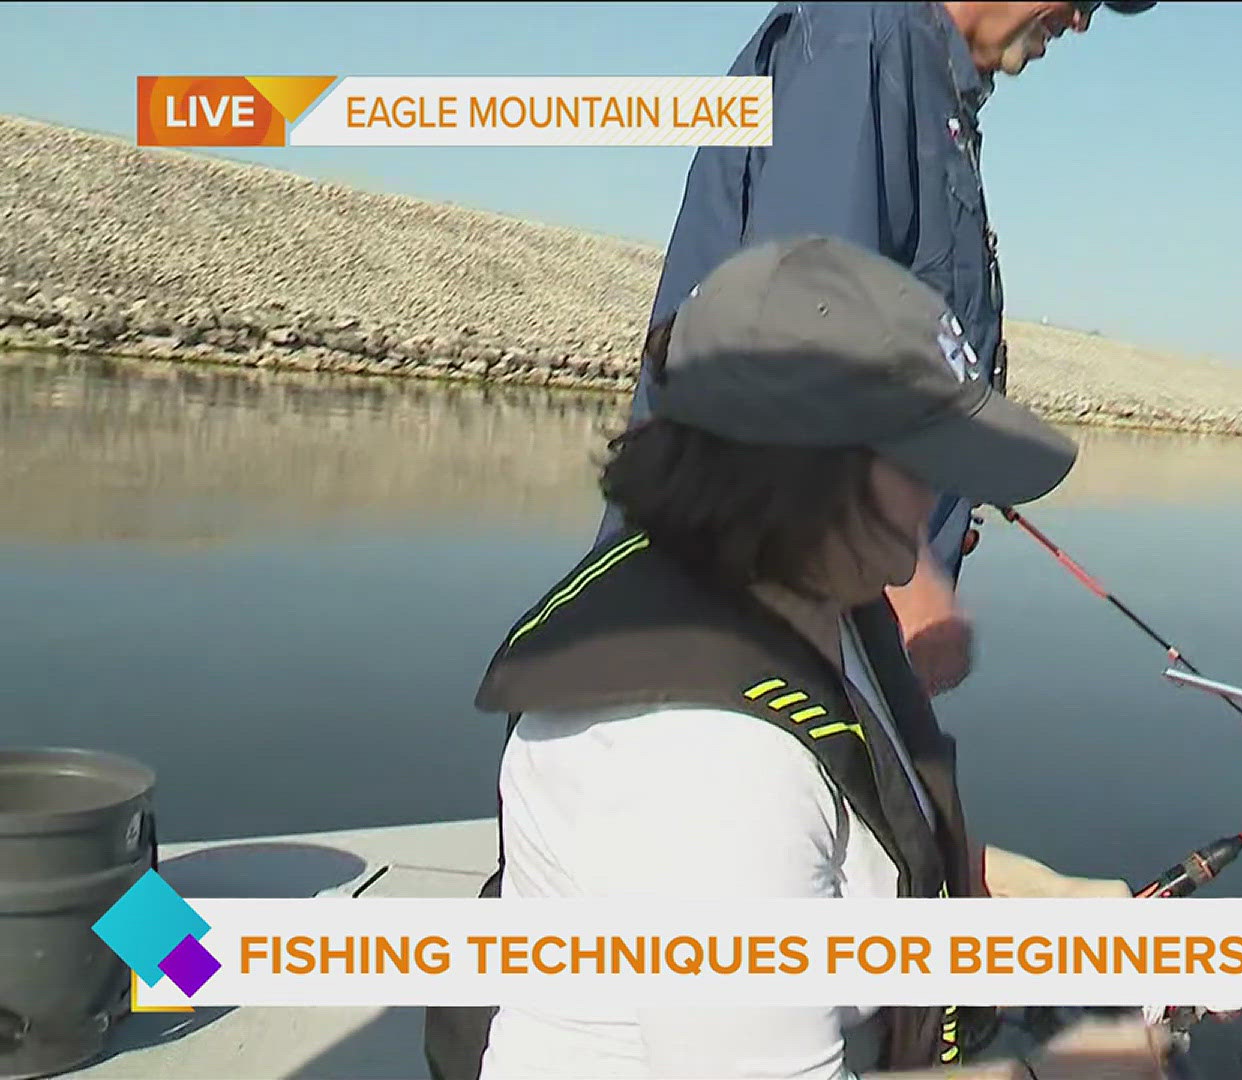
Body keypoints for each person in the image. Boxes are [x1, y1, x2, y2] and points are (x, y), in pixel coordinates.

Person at [425, 236, 1164, 1080]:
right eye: (920, 460)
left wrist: (1054, 904)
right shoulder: (702, 754)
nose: (940, 498)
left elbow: (857, 863)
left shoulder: (817, 604)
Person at [601, 0, 1159, 698]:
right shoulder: (859, 41)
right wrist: (914, 585)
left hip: (822, 634)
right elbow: (796, 352)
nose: (1080, 21)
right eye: (1083, 0)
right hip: (736, 651)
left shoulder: (924, 78)